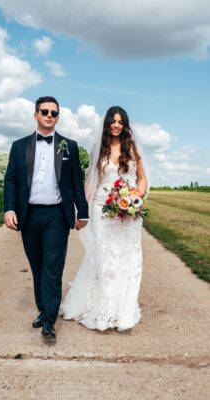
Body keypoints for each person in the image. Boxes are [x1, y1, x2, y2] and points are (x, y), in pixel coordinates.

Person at [4, 96, 88, 339]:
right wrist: (9, 209)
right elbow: (10, 180)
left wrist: (82, 212)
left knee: (53, 266)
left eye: (54, 113)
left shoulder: (69, 146)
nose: (49, 115)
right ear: (35, 115)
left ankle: (50, 321)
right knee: (38, 265)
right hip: (28, 215)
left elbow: (76, 181)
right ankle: (43, 309)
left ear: (57, 117)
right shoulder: (19, 146)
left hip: (56, 215)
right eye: (45, 111)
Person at [60, 106, 148, 331]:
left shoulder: (133, 148)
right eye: (113, 121)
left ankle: (122, 311)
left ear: (125, 124)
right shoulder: (98, 149)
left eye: (120, 121)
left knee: (128, 260)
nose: (116, 125)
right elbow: (91, 182)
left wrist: (135, 196)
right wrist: (84, 212)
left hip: (128, 212)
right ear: (107, 124)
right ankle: (104, 309)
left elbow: (141, 179)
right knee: (104, 259)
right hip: (102, 208)